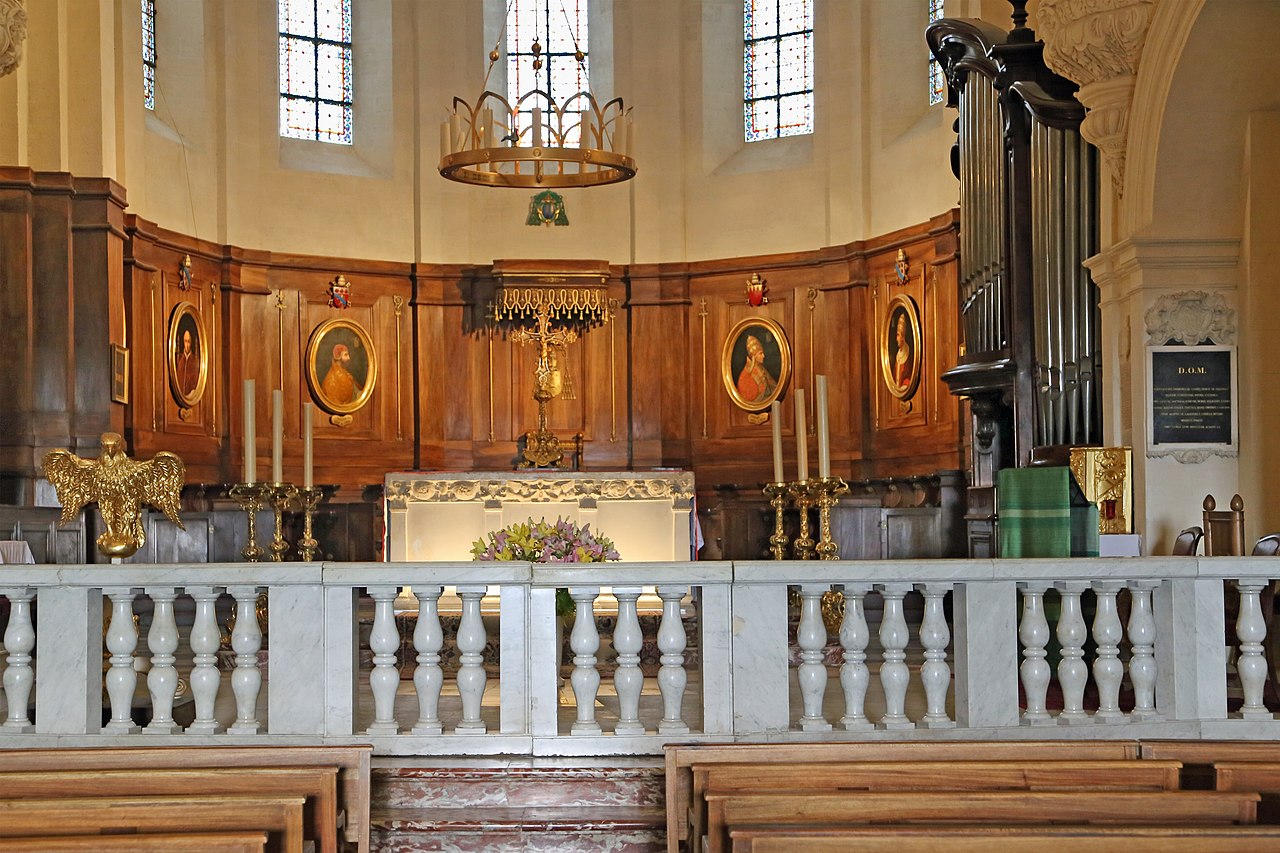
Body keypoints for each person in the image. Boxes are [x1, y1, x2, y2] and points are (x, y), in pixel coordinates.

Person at [736, 334, 777, 405]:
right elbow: (749, 399)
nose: (763, 356)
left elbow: (773, 387)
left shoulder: (761, 368)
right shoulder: (746, 374)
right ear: (754, 356)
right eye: (760, 353)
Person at [892, 311, 914, 390]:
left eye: (898, 335)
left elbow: (909, 377)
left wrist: (904, 386)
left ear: (903, 337)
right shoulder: (898, 354)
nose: (896, 339)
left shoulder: (908, 354)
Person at [175, 328, 200, 396]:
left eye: (188, 341)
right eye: (185, 341)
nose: (187, 345)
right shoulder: (179, 361)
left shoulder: (195, 362)